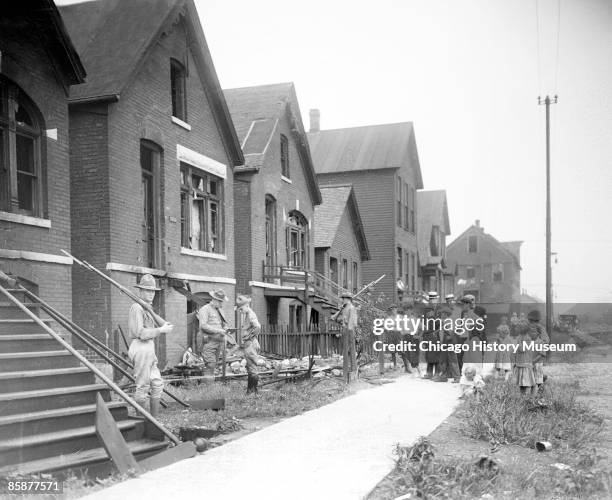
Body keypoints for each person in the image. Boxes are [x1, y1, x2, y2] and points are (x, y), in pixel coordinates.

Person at [127, 274, 173, 417]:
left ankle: (154, 420)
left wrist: (162, 325)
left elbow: (160, 323)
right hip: (140, 346)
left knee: (157, 384)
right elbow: (140, 332)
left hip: (149, 347)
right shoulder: (137, 307)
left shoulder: (146, 307)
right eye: (147, 290)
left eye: (152, 291)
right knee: (143, 386)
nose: (151, 294)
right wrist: (160, 330)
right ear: (140, 291)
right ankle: (141, 421)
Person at [197, 289, 229, 381]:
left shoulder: (220, 310)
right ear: (214, 300)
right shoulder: (205, 309)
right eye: (220, 302)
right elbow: (203, 326)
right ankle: (208, 388)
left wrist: (226, 328)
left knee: (213, 365)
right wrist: (218, 330)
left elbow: (224, 323)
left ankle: (210, 386)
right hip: (208, 342)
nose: (221, 304)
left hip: (218, 342)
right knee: (210, 364)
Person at [234, 295, 262, 394]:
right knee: (250, 367)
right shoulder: (247, 314)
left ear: (246, 306)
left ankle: (253, 391)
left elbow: (258, 327)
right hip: (249, 344)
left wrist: (249, 337)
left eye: (241, 309)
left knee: (253, 369)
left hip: (250, 344)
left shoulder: (250, 315)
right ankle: (250, 391)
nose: (240, 311)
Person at [331, 292, 358, 382]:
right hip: (345, 329)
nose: (342, 300)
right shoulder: (345, 308)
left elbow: (352, 321)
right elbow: (339, 318)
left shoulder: (351, 308)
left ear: (347, 299)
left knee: (351, 350)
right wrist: (339, 314)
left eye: (343, 298)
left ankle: (353, 370)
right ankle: (346, 371)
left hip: (349, 330)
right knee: (345, 351)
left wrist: (348, 330)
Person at [435, 305, 460, 383]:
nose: (441, 315)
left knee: (452, 360)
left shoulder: (448, 320)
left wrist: (450, 336)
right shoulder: (445, 321)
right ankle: (444, 376)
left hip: (449, 342)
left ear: (446, 314)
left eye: (442, 313)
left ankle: (456, 377)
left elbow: (452, 331)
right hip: (445, 343)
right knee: (444, 359)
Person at [513, 325, 536, 394]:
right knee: (521, 383)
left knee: (526, 381)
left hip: (525, 362)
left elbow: (522, 349)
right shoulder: (520, 337)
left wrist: (519, 342)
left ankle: (526, 396)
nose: (517, 330)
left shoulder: (527, 339)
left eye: (518, 328)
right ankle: (522, 396)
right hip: (520, 362)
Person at [421, 305, 440, 379]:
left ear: (433, 311)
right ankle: (429, 373)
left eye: (429, 311)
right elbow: (425, 332)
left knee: (436, 358)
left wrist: (435, 333)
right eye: (426, 311)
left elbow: (442, 328)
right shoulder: (427, 321)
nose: (427, 313)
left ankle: (437, 373)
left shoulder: (437, 320)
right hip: (428, 341)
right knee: (429, 357)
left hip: (435, 341)